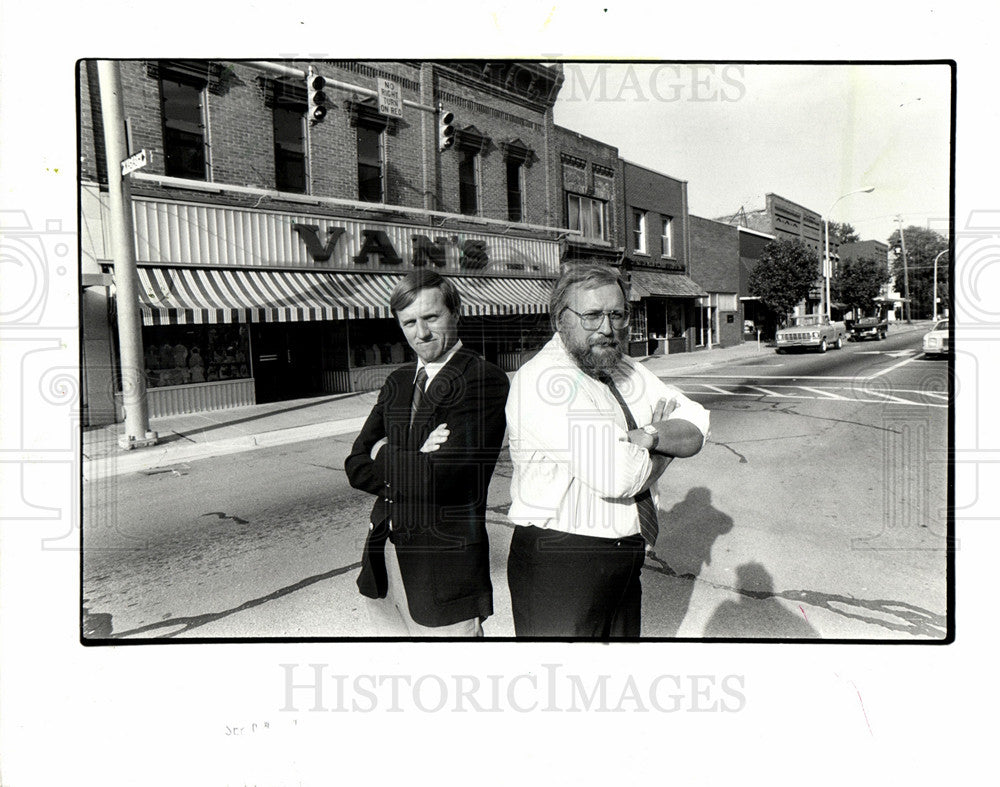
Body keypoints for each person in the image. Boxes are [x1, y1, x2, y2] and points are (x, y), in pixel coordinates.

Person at [505, 264, 710, 638]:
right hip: (562, 566)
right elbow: (617, 476)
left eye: (617, 314)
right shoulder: (545, 381)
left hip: (623, 558)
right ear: (559, 319)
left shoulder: (622, 366)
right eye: (592, 315)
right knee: (564, 691)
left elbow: (697, 423)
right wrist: (665, 447)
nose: (607, 327)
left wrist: (646, 436)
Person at [345, 270, 510, 637]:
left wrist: (384, 450)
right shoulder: (399, 381)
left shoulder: (483, 379)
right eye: (409, 323)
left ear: (455, 312)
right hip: (383, 564)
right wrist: (415, 455)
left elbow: (437, 478)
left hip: (443, 573)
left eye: (431, 317)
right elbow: (355, 465)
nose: (421, 333)